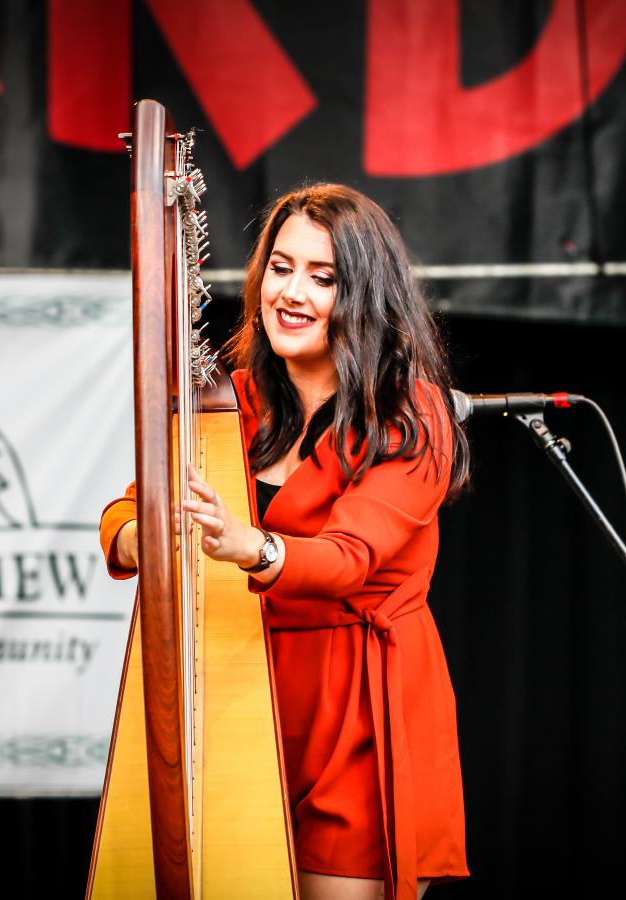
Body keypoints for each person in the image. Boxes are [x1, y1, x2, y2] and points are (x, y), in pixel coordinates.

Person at [99, 183, 470, 900]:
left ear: (365, 294)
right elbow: (120, 518)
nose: (292, 292)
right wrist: (148, 539)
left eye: (322, 277)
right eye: (280, 267)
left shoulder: (411, 415)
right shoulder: (229, 403)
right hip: (241, 698)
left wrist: (253, 548)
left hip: (357, 711)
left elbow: (347, 559)